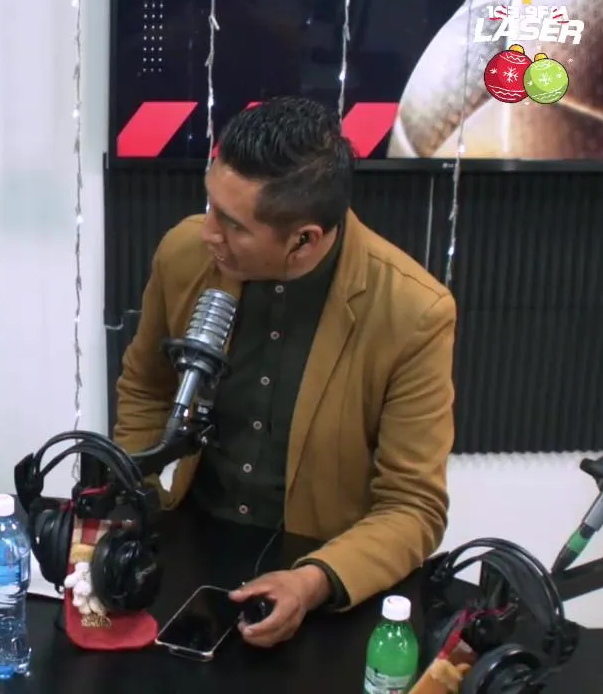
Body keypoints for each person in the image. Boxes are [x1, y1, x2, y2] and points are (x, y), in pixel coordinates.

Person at [112, 97, 455, 648]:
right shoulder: (184, 254)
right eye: (211, 205)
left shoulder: (414, 312)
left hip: (319, 571)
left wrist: (314, 581)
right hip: (192, 548)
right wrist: (138, 503)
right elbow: (147, 387)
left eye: (233, 224)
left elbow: (413, 506)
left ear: (304, 240)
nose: (208, 232)